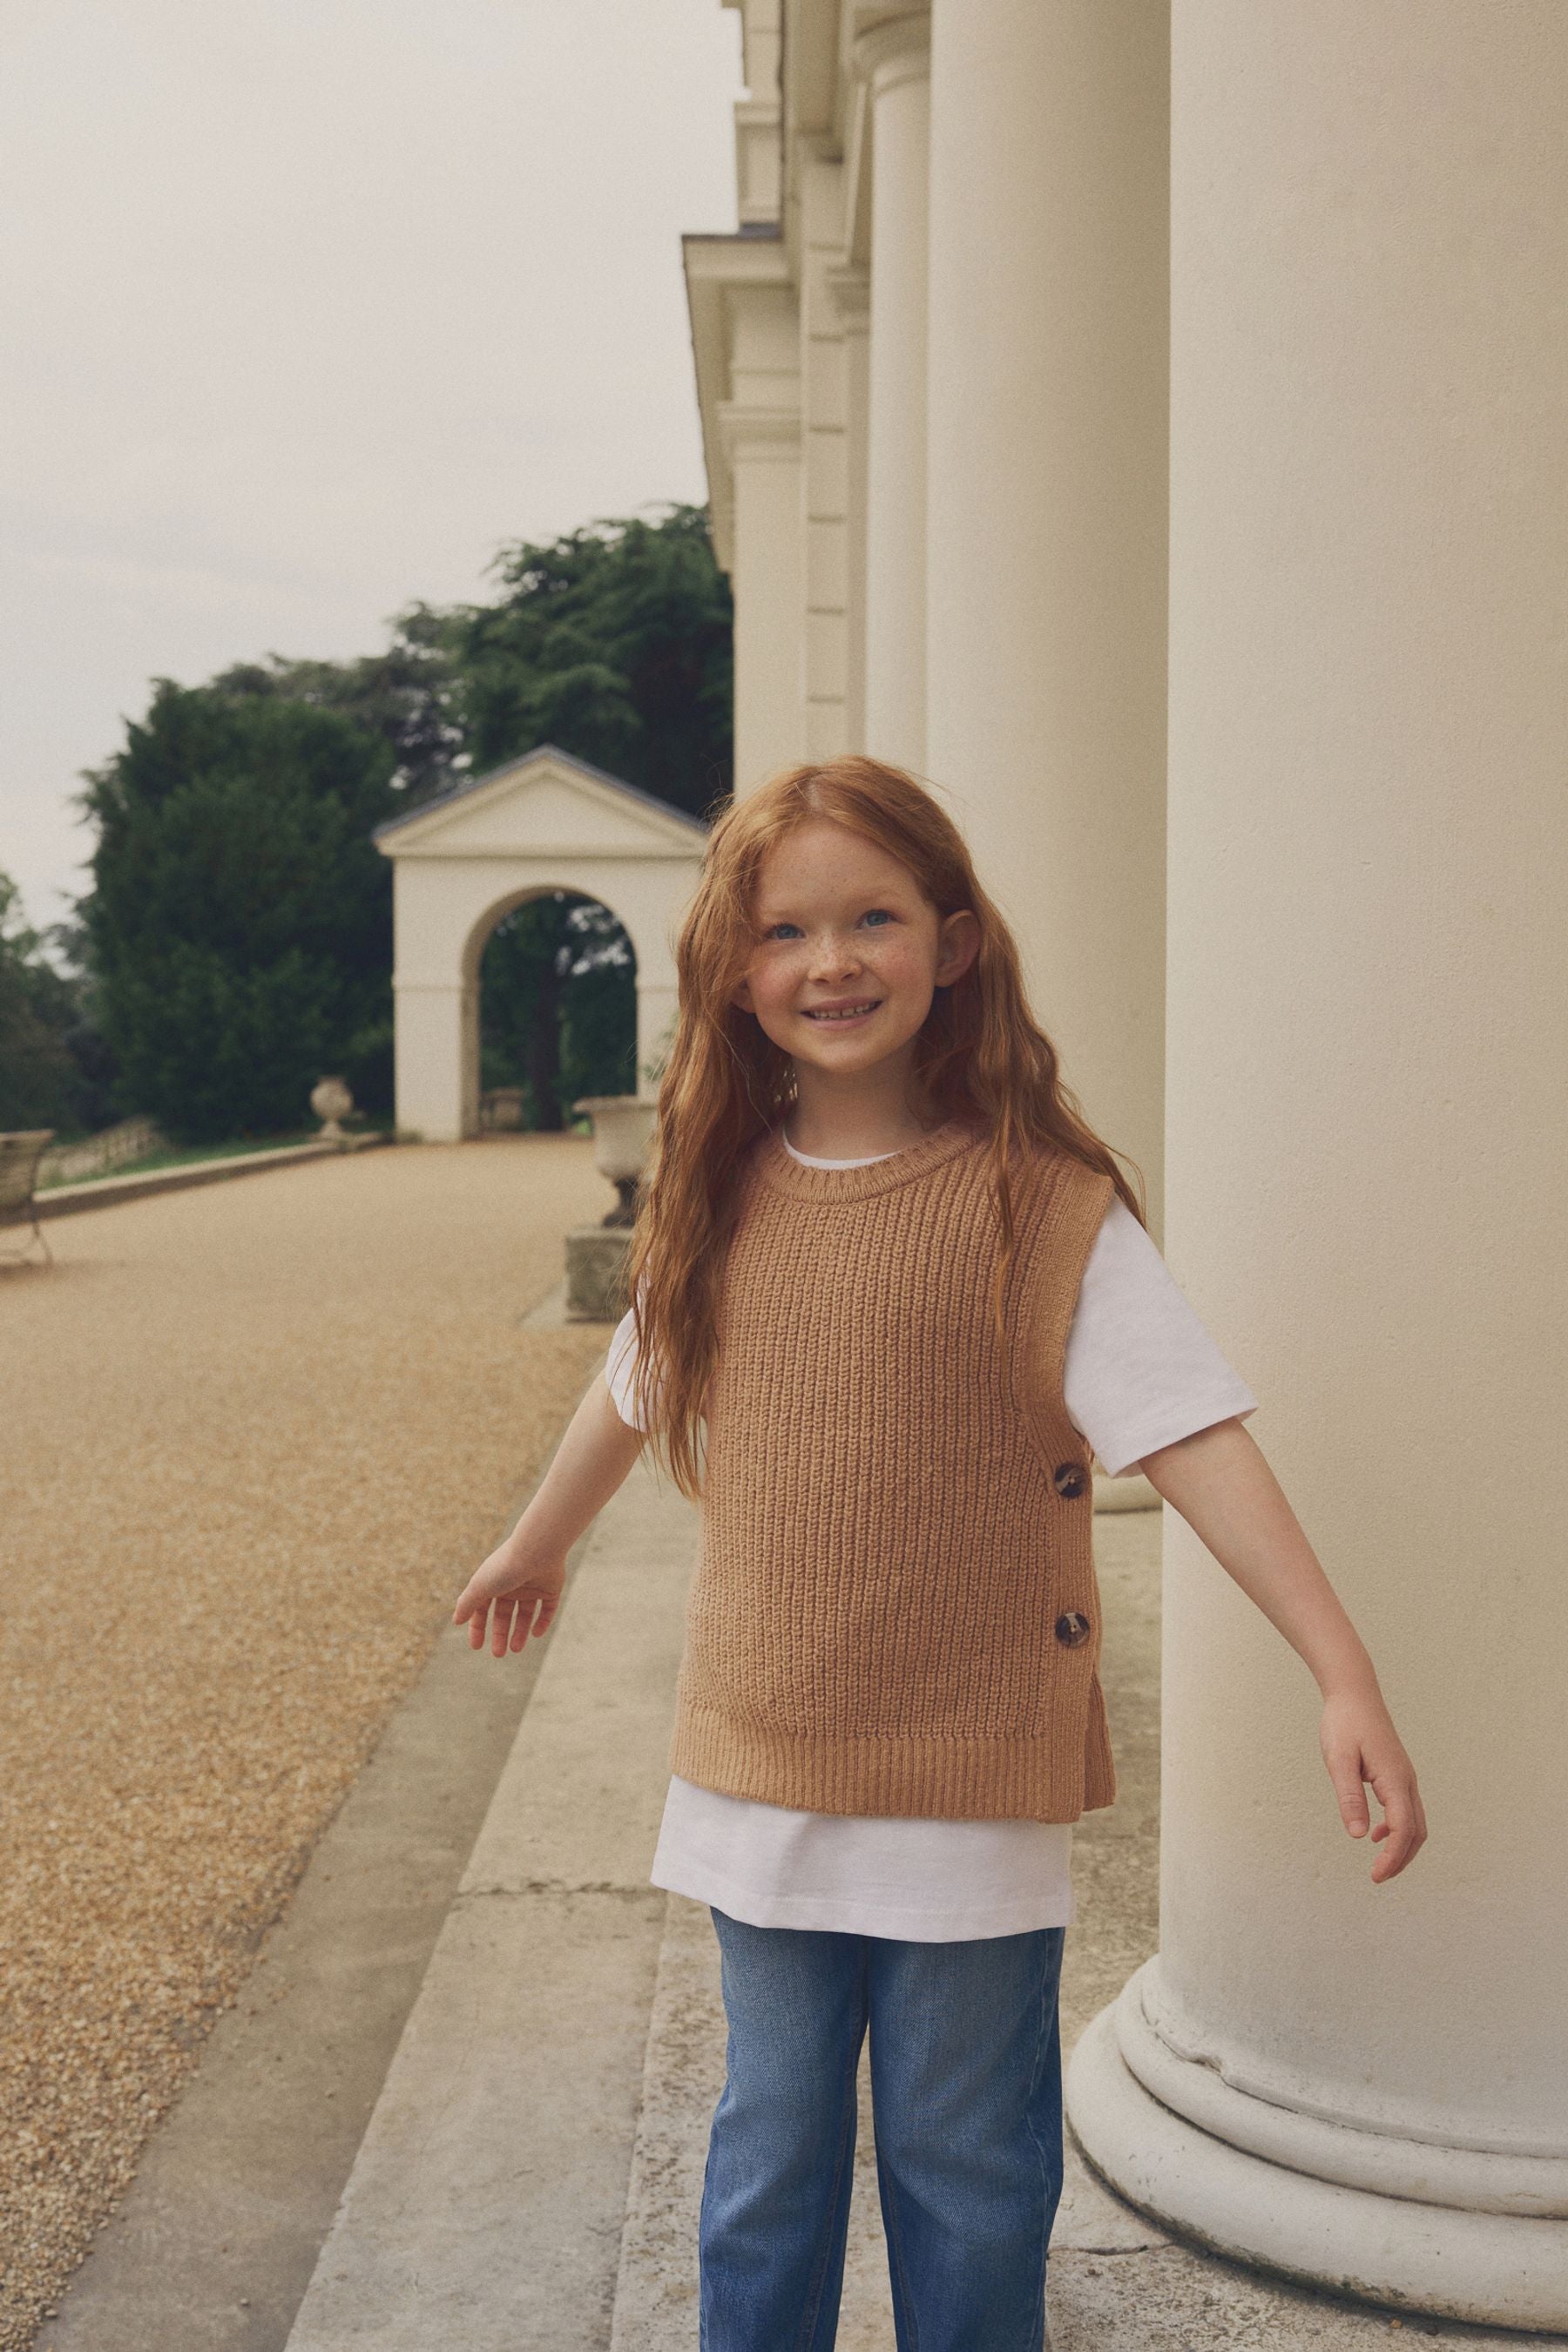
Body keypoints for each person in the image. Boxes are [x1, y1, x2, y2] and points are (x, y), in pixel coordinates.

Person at [451, 754, 1427, 2352]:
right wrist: (535, 1542)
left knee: (968, 2165)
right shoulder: (714, 1192)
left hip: (971, 1779)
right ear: (734, 968)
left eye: (873, 918)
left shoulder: (1043, 1209)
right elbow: (637, 1379)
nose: (828, 962)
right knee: (766, 2156)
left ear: (954, 942)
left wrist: (1342, 1667)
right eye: (784, 931)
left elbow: (1190, 1431)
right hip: (762, 1765)